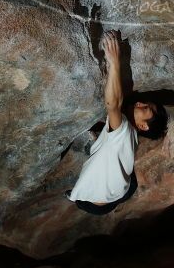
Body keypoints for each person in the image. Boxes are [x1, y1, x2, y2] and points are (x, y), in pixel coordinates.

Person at [66, 30, 167, 214]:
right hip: (123, 190)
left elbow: (113, 104)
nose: (140, 102)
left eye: (146, 108)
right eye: (145, 102)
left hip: (97, 204)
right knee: (129, 183)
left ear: (143, 125)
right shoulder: (130, 133)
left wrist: (114, 62)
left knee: (80, 199)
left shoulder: (124, 129)